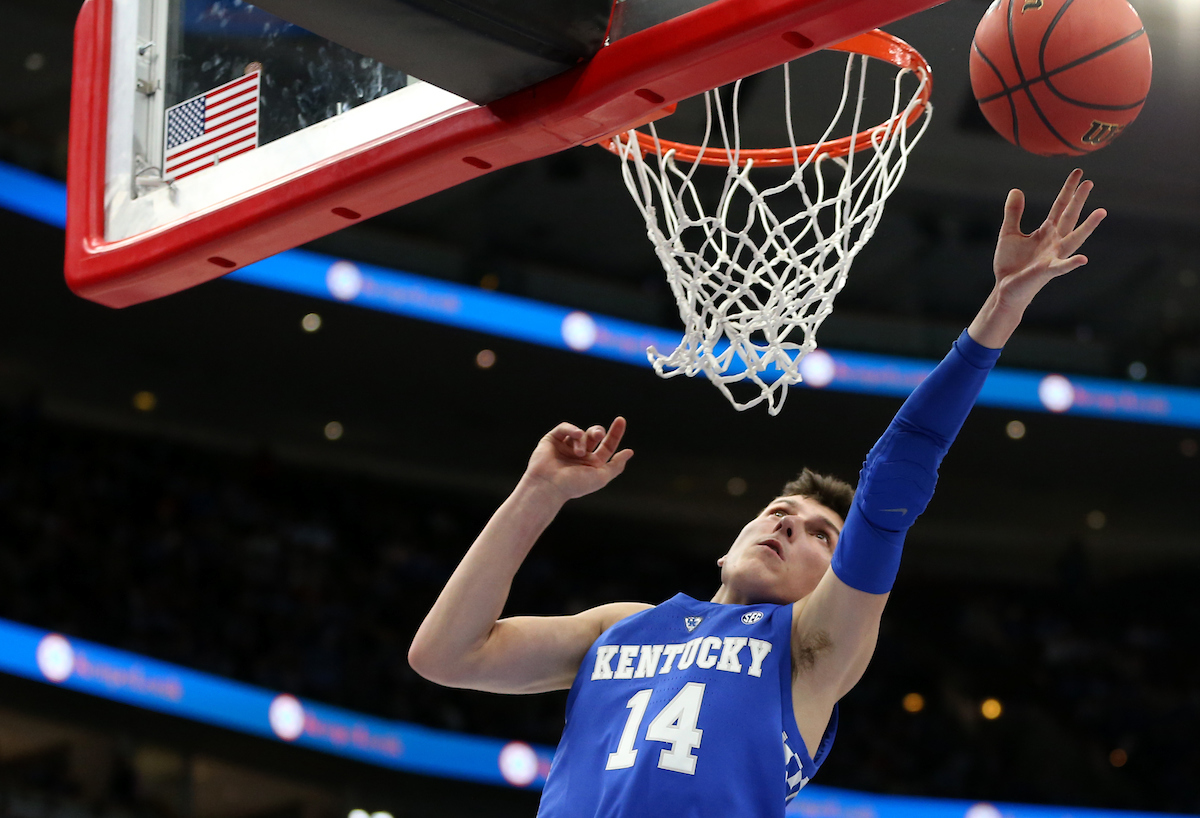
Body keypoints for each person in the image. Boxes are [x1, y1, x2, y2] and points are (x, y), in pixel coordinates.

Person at [408, 170, 1107, 816]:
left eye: (819, 535)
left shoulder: (812, 649)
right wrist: (537, 493)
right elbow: (445, 656)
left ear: (838, 579)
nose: (788, 526)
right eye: (780, 512)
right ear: (731, 541)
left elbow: (897, 470)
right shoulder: (621, 625)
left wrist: (1000, 309)